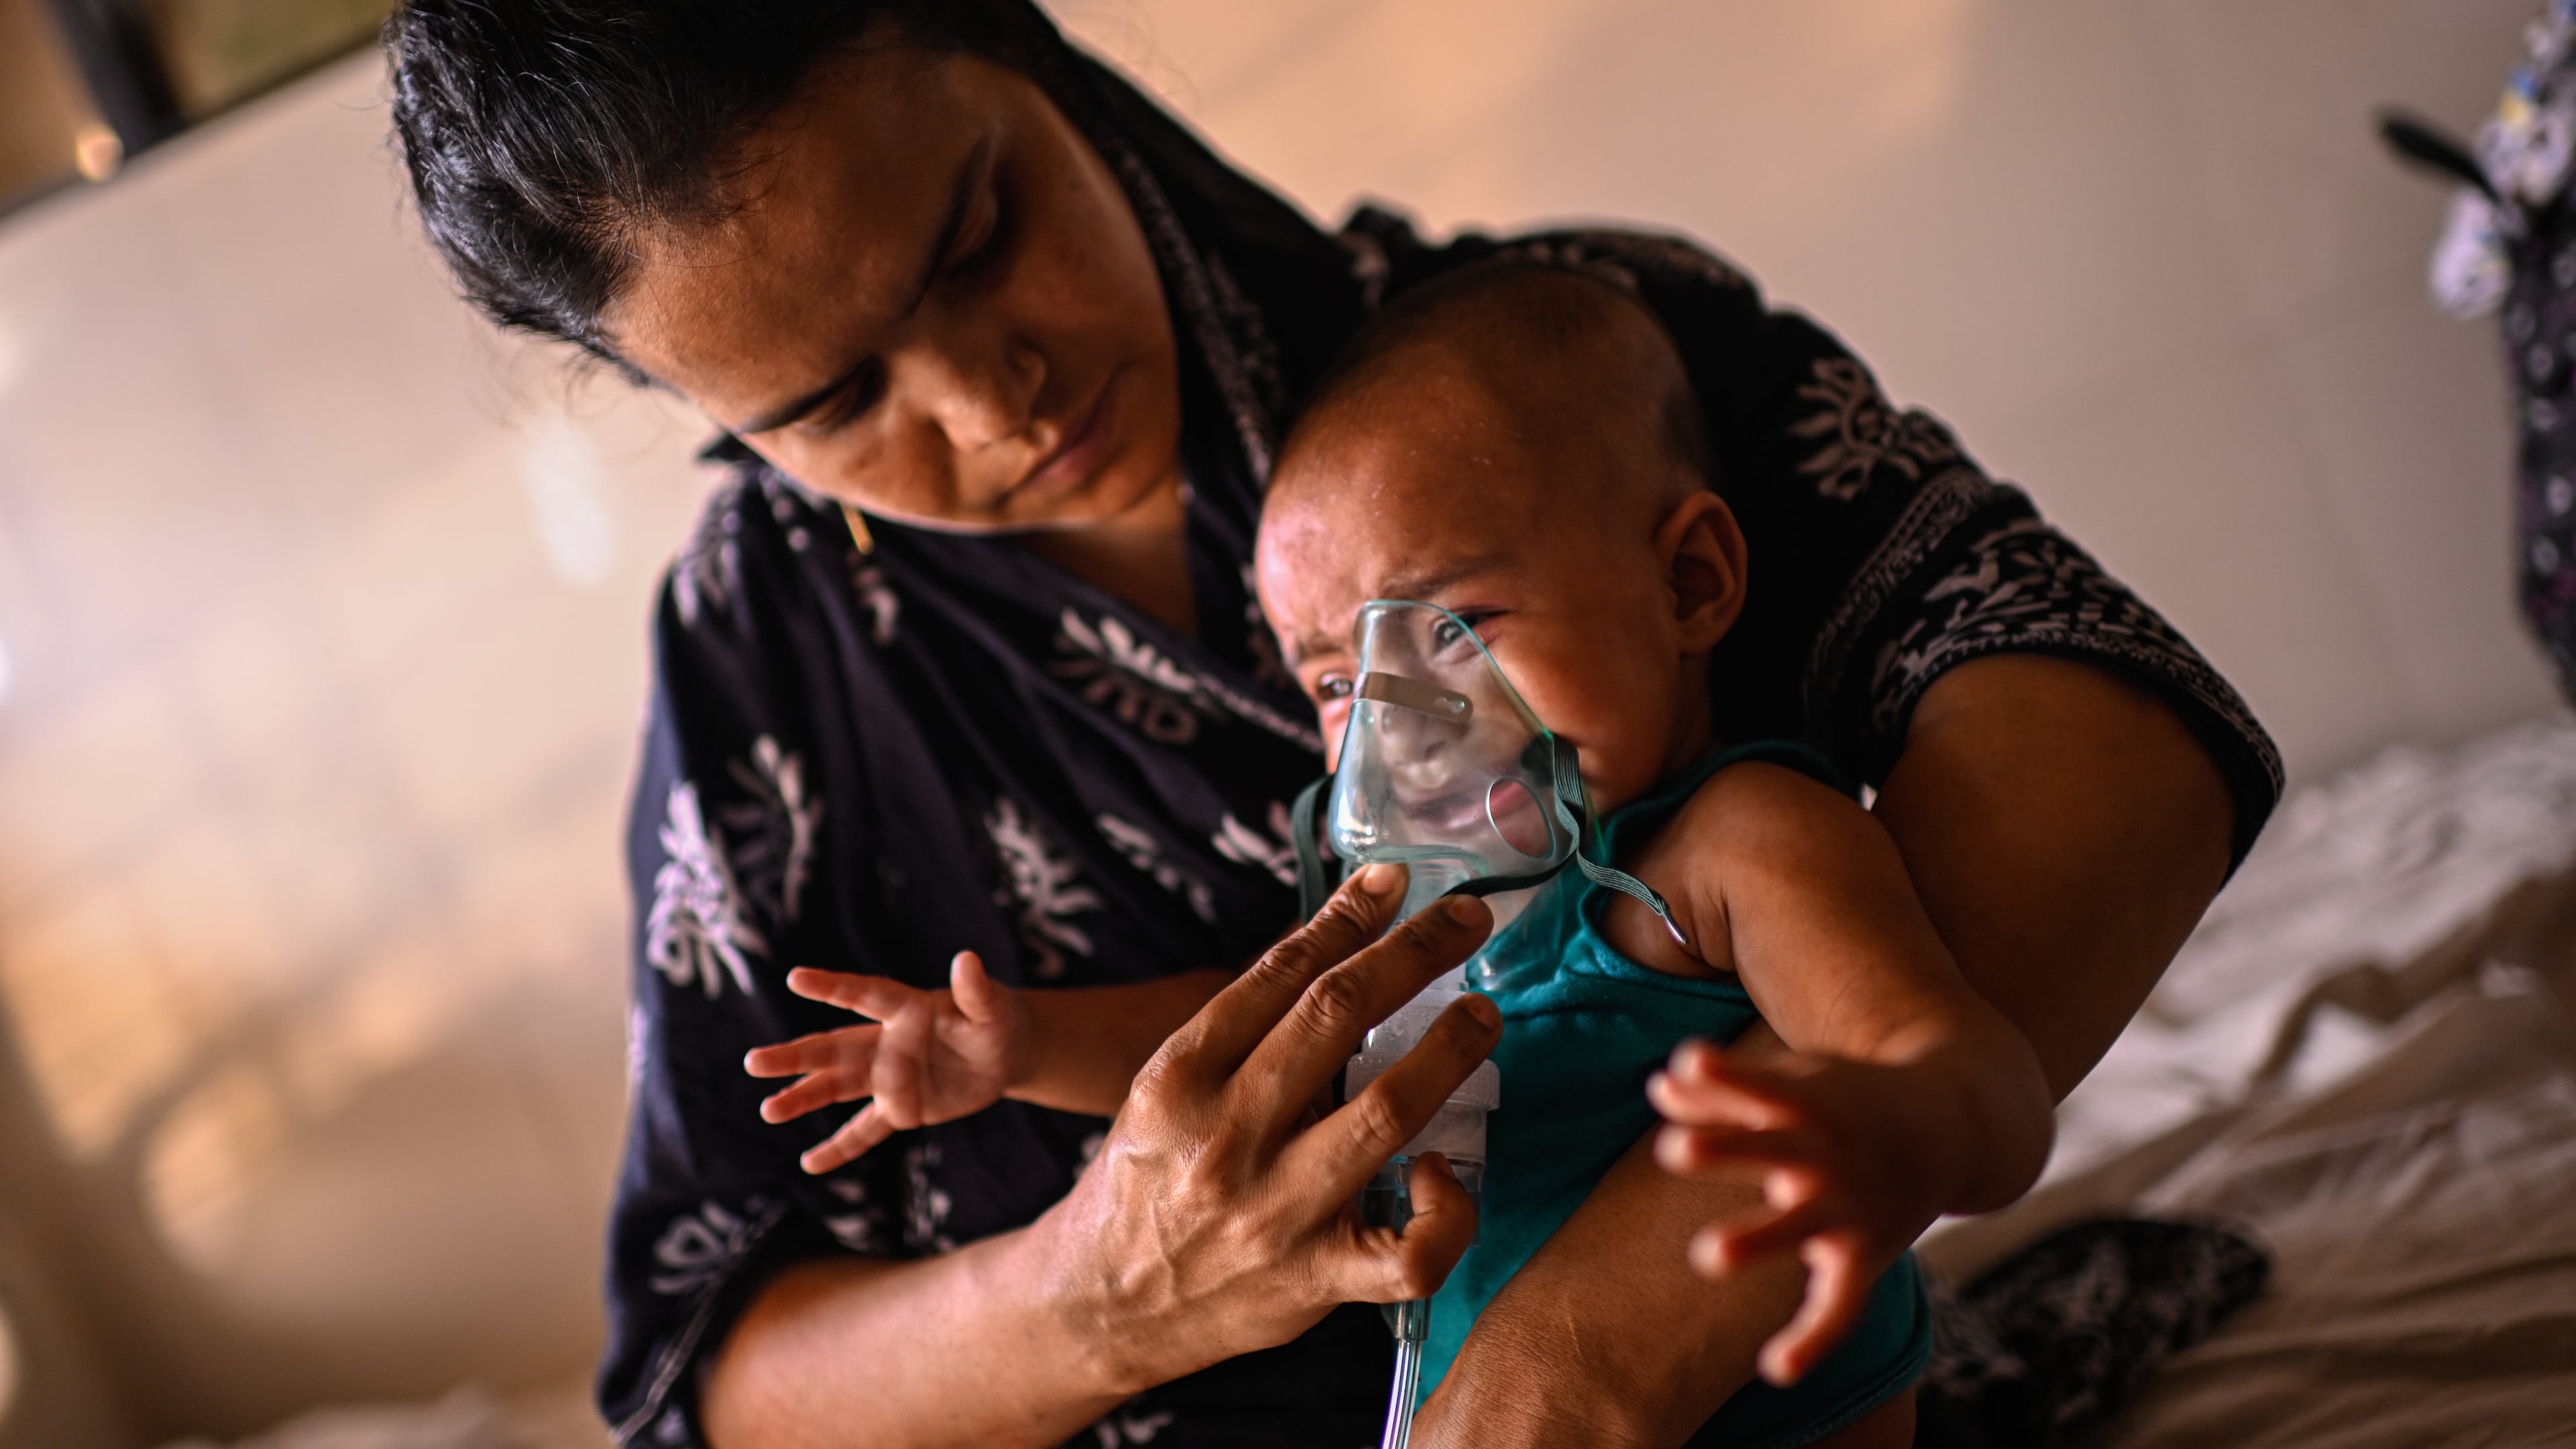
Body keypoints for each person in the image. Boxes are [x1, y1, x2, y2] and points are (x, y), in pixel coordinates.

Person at [381, 2, 2277, 1446]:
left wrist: (1590, 1341)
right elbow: (709, 1375)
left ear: (1026, 50)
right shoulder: (763, 671)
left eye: (972, 236)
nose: (989, 392)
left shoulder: (1555, 368)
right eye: (829, 399)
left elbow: (2106, 733)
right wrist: (1102, 1297)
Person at [751, 262, 2061, 1447]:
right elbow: (1250, 1056)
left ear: (1692, 582)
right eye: (1335, 682)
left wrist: (1893, 1133)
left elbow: (1977, 1074)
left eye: (1461, 622)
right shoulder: (1429, 908)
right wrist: (1025, 1050)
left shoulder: (1741, 849)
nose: (1406, 727)